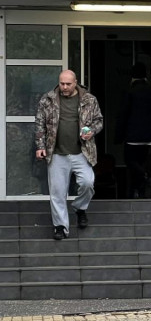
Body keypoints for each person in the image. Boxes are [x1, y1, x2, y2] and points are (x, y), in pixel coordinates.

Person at [34, 70, 103, 240]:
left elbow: (98, 121)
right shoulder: (48, 99)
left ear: (75, 82)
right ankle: (60, 227)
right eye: (62, 83)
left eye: (68, 84)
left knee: (87, 183)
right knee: (57, 192)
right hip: (56, 153)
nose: (64, 87)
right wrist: (40, 146)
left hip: (82, 152)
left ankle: (80, 207)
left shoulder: (88, 99)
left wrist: (91, 132)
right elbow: (40, 123)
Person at [116, 63, 151, 199]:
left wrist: (118, 136)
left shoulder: (130, 93)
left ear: (132, 77)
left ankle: (144, 178)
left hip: (131, 136)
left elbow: (122, 115)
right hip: (147, 137)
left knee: (130, 162)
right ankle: (140, 191)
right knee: (140, 162)